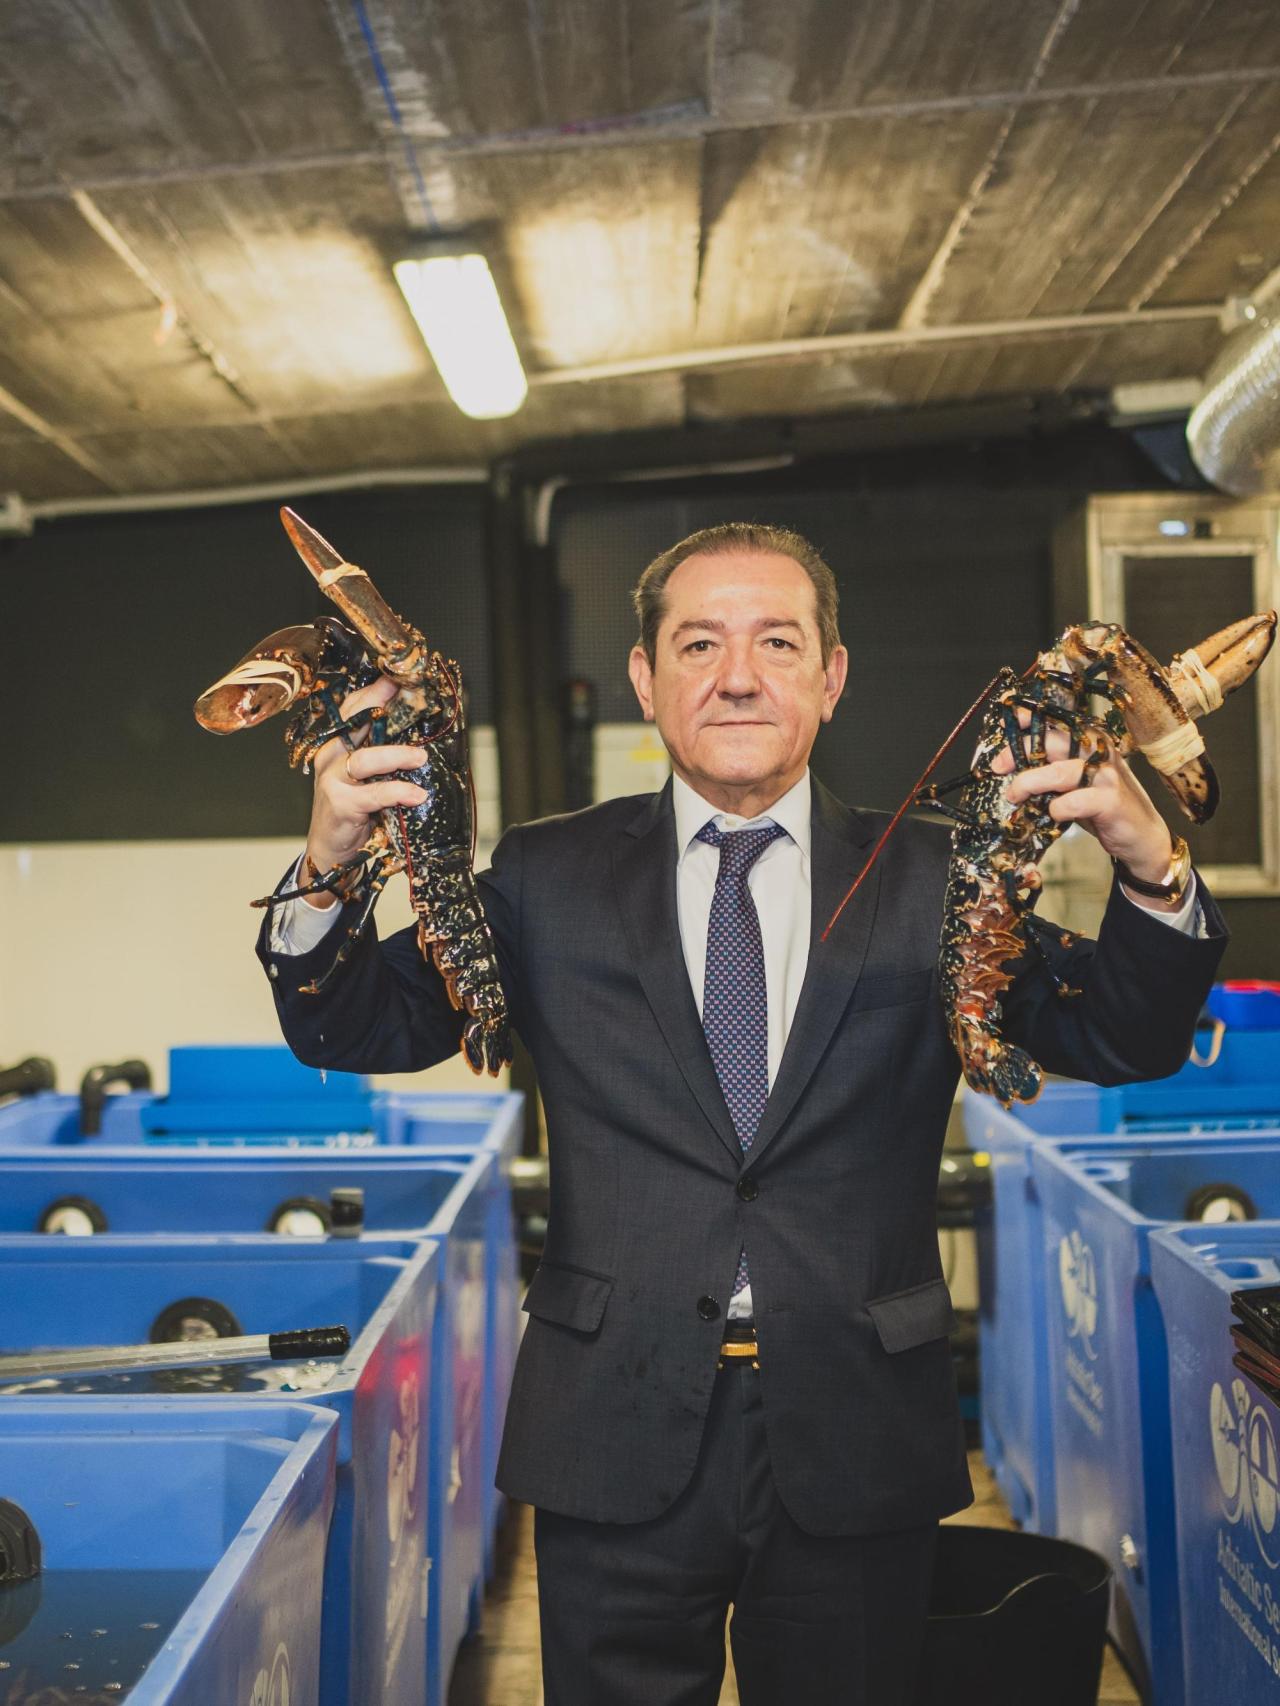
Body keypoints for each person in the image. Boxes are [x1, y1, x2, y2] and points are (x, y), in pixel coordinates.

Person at [258, 523, 1225, 1706]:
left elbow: (1124, 1035)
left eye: (777, 640)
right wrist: (325, 860)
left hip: (855, 1420)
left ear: (831, 675)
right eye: (697, 641)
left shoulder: (940, 875)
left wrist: (1148, 866)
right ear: (644, 679)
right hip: (610, 1416)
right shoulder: (543, 871)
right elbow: (351, 1026)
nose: (736, 673)